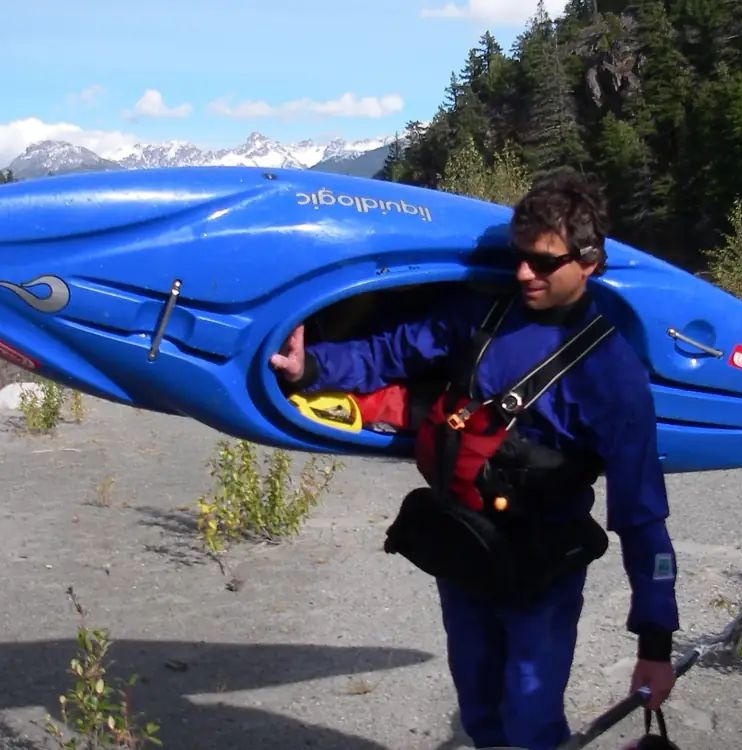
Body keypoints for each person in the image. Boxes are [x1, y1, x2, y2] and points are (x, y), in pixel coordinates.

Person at [270, 168, 680, 750]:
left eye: (543, 262)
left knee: (532, 721)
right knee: (479, 711)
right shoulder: (482, 314)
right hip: (462, 548)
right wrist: (310, 367)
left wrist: (655, 644)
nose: (524, 273)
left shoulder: (613, 375)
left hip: (541, 571)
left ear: (589, 261)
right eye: (519, 257)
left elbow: (642, 516)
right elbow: (390, 352)